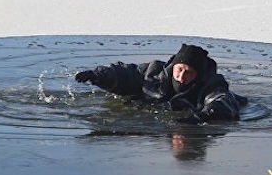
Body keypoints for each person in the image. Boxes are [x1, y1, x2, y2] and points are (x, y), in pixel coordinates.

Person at [75, 43, 247, 123]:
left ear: (198, 74)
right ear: (173, 67)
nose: (182, 77)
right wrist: (98, 76)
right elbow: (127, 74)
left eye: (189, 72)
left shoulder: (211, 85)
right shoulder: (155, 72)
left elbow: (221, 101)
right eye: (179, 70)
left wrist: (202, 116)